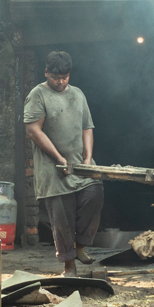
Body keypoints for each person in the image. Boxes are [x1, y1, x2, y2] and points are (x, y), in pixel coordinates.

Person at [24, 51, 104, 276]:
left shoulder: (78, 94)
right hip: (53, 169)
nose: (60, 82)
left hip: (80, 164)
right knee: (62, 216)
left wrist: (87, 160)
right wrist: (59, 159)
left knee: (94, 195)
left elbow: (87, 127)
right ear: (46, 72)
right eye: (56, 78)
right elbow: (32, 130)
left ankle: (79, 248)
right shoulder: (37, 95)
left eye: (65, 77)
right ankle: (69, 265)